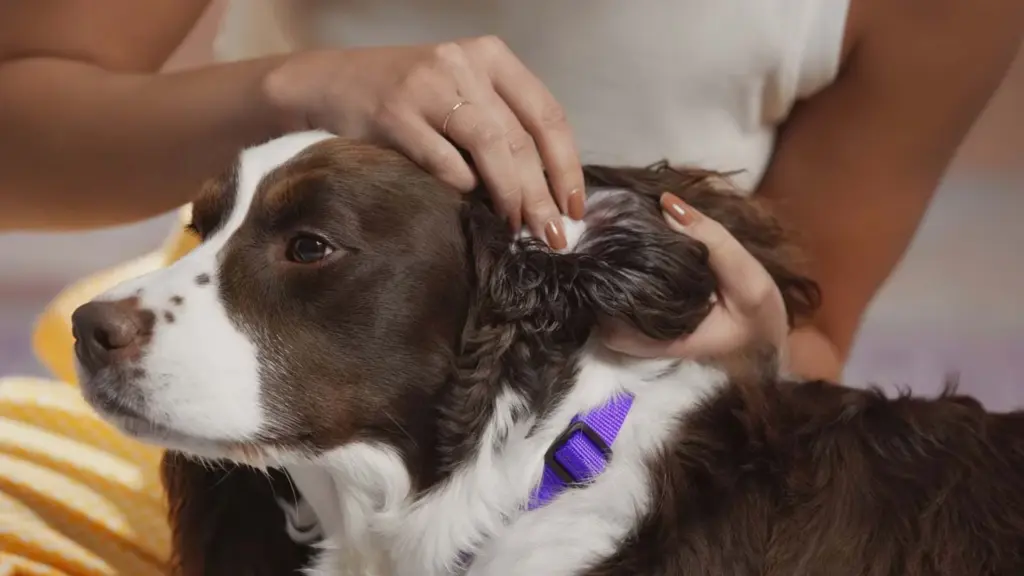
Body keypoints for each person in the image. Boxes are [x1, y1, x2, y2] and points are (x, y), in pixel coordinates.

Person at [0, 1, 1019, 573]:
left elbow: (815, 333)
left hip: (639, 410)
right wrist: (290, 92)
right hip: (253, 389)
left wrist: (750, 334)